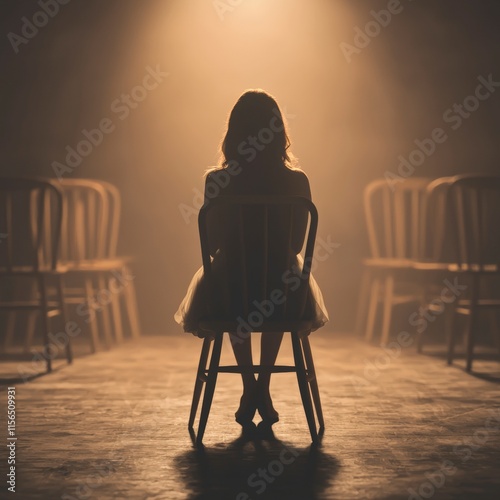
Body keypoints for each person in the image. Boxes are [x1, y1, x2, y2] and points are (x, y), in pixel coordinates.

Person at [175, 89, 328, 433]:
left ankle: (249, 385)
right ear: (278, 133)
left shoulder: (218, 180)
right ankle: (263, 387)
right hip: (284, 291)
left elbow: (213, 244)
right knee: (282, 279)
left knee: (233, 286)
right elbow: (295, 243)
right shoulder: (297, 180)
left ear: (234, 133)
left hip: (232, 288)